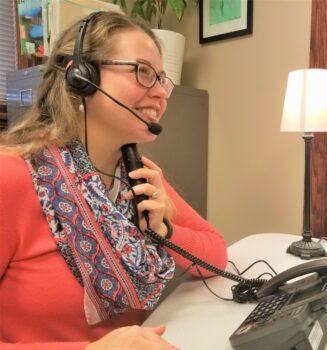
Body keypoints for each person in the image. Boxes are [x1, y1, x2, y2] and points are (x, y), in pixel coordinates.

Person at [0, 11, 228, 349]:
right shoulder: (12, 176)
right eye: (143, 72)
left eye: (162, 80)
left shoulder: (136, 174)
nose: (162, 94)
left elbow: (217, 255)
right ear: (81, 75)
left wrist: (166, 231)